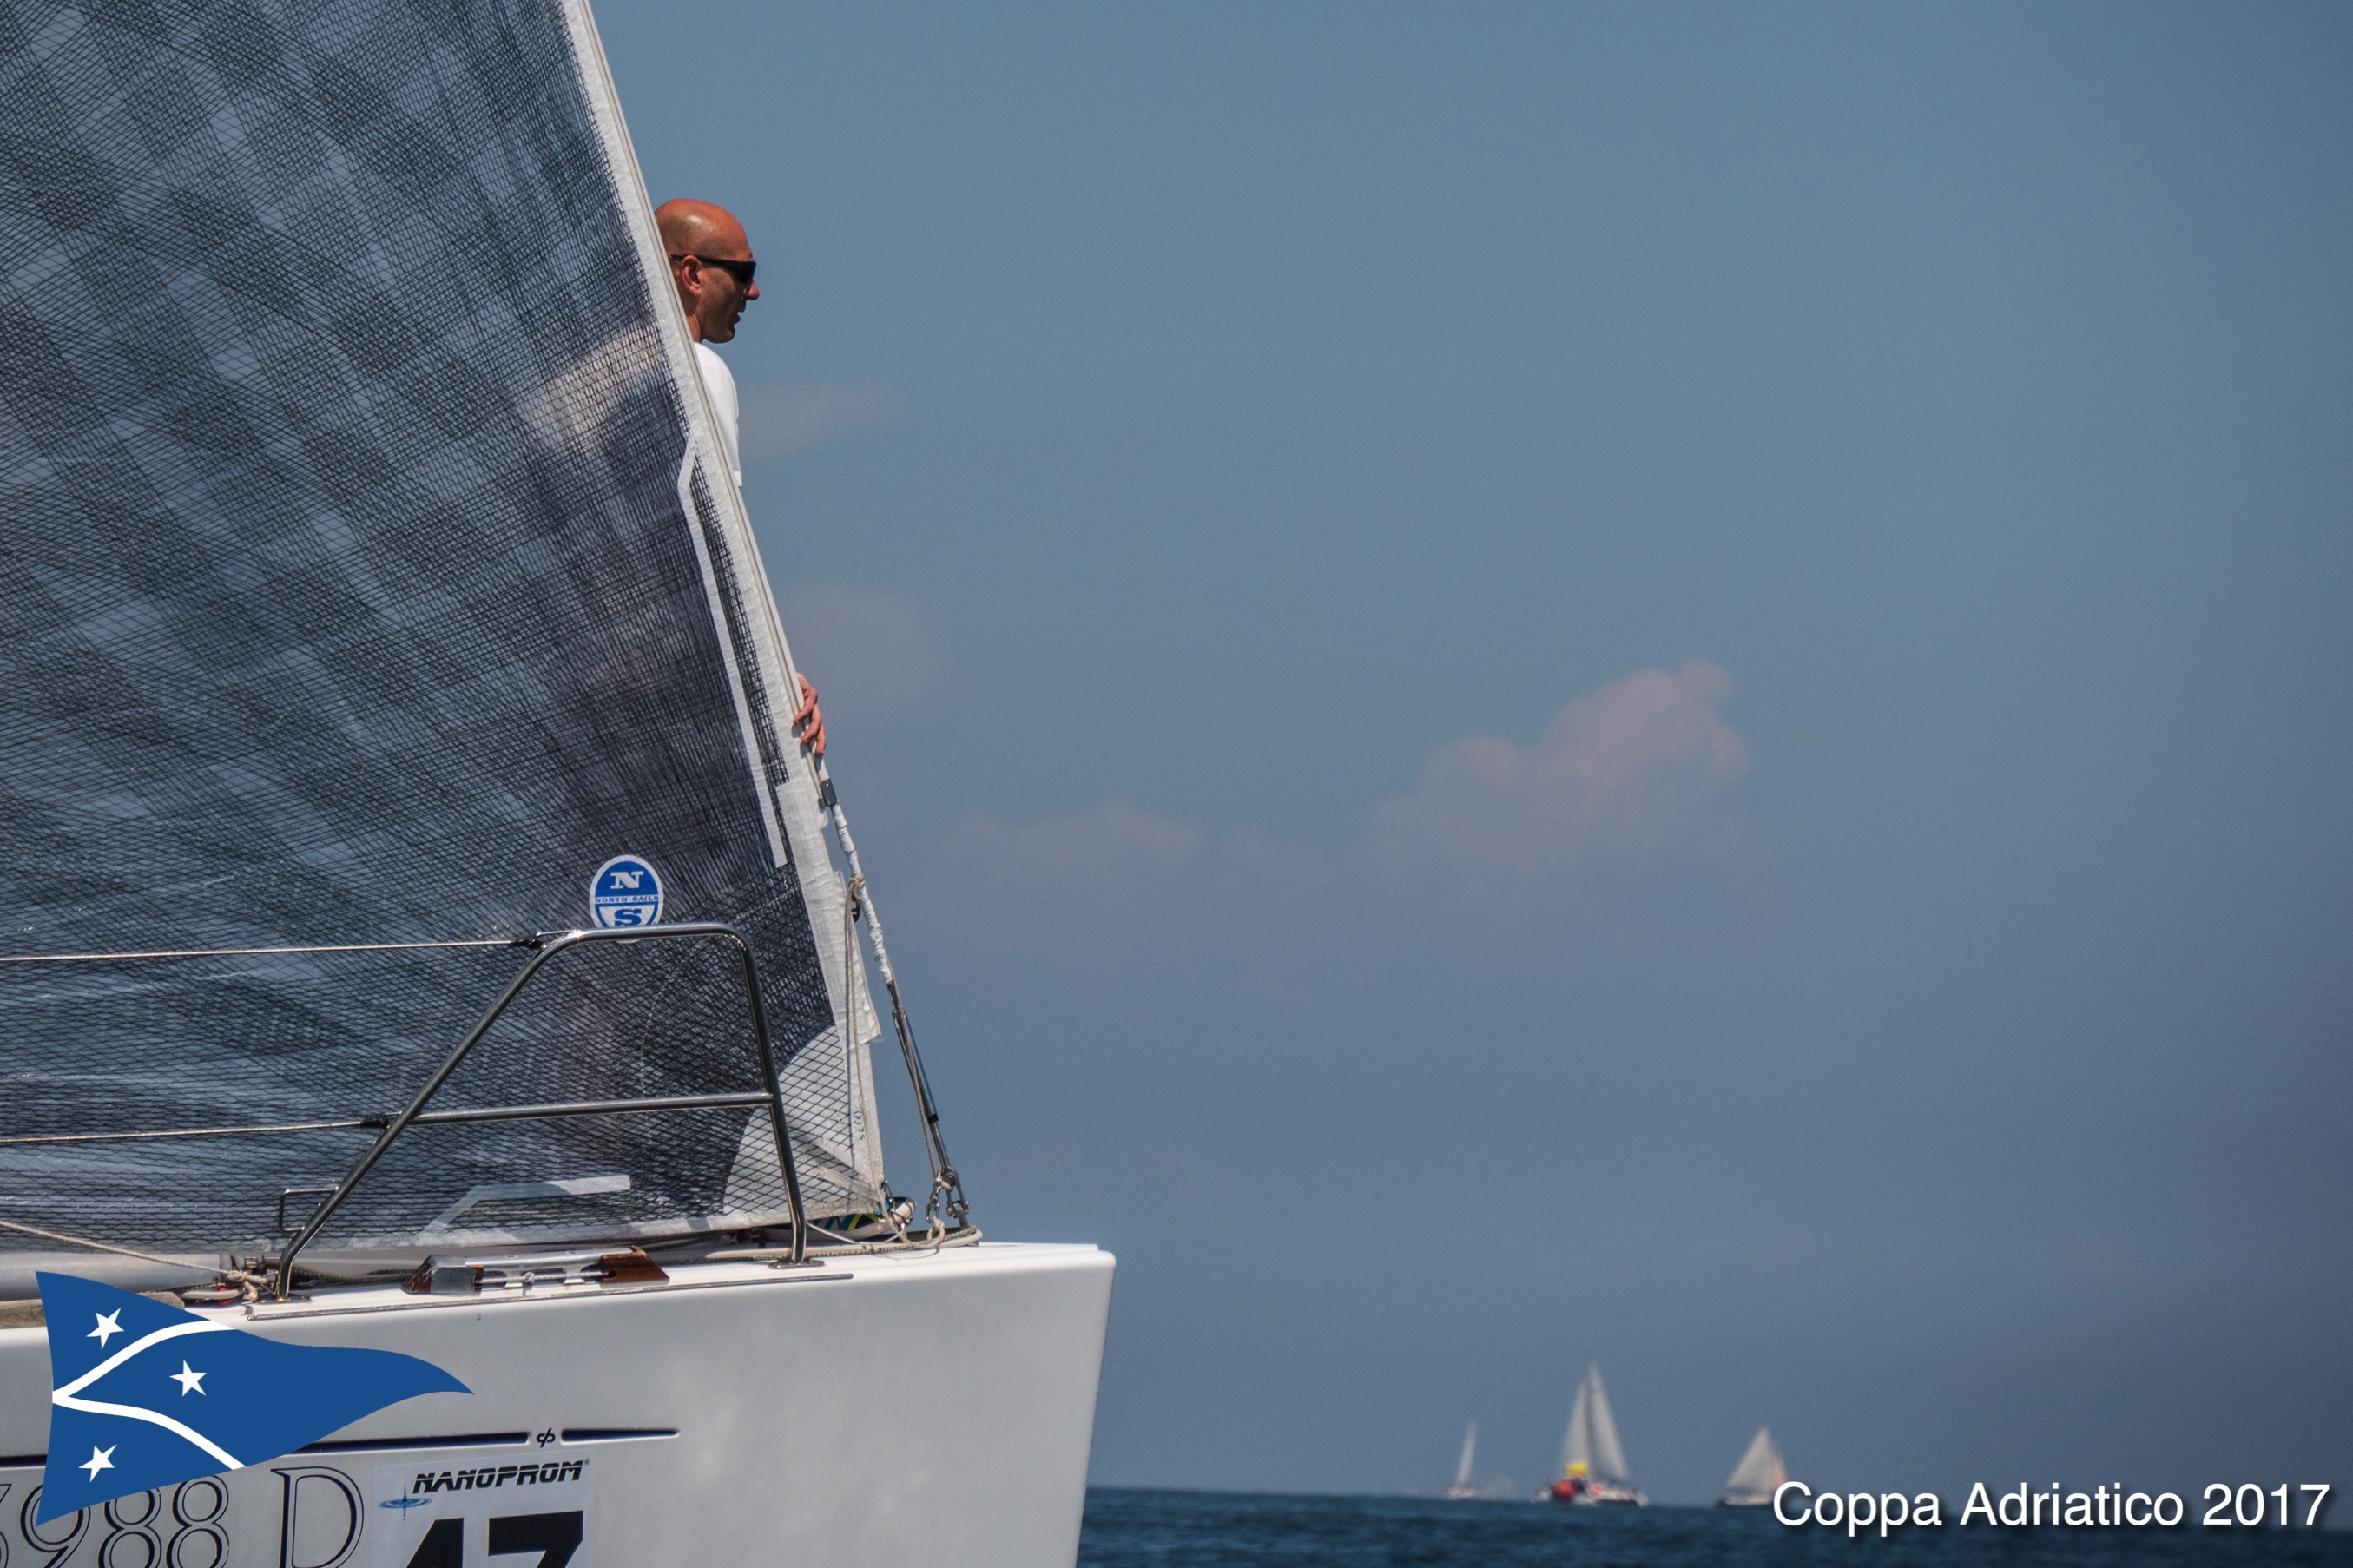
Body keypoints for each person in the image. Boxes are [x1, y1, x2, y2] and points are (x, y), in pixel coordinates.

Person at [656, 197, 824, 759]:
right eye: (743, 272)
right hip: (676, 678)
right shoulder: (698, 372)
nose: (753, 293)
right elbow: (717, 542)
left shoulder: (574, 384)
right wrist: (774, 669)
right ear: (692, 274)